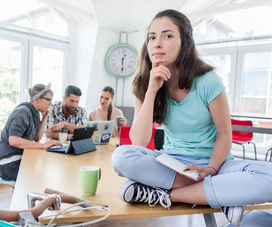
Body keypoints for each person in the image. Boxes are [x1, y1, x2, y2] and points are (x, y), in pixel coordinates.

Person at [111, 9, 272, 226]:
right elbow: (138, 142)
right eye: (152, 37)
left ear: (184, 43)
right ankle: (221, 194)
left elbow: (225, 134)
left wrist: (211, 169)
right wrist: (151, 91)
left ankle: (167, 195)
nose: (157, 43)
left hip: (216, 165)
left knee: (269, 176)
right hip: (174, 164)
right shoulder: (143, 84)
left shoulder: (207, 80)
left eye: (167, 35)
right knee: (121, 157)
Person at [0, 83, 62, 181]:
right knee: (45, 174)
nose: (50, 103)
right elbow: (13, 140)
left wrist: (45, 116)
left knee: (47, 168)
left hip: (19, 159)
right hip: (8, 164)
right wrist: (43, 145)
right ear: (37, 99)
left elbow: (37, 138)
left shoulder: (34, 112)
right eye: (48, 99)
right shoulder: (22, 112)